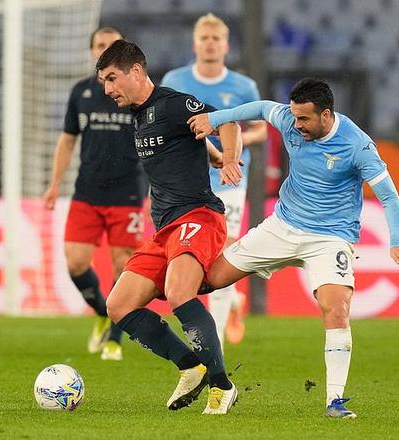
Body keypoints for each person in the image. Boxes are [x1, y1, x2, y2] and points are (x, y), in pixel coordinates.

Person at [188, 78, 399, 418]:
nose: (296, 125)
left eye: (304, 119)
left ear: (326, 115)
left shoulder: (357, 145)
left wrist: (397, 240)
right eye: (294, 117)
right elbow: (261, 108)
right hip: (281, 227)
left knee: (336, 309)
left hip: (330, 238)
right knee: (206, 281)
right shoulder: (289, 118)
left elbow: (388, 195)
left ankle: (334, 401)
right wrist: (216, 118)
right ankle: (218, 327)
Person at [96, 40, 243, 414]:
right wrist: (211, 154)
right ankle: (190, 366)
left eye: (111, 78)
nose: (107, 89)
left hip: (198, 217)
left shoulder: (173, 104)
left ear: (136, 71)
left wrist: (229, 157)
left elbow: (227, 122)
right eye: (103, 82)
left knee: (180, 292)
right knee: (118, 305)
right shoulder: (137, 117)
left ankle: (221, 386)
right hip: (164, 230)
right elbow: (187, 141)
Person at [161, 13, 267, 349]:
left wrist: (233, 145)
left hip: (229, 178)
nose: (210, 44)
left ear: (226, 45)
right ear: (195, 45)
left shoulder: (242, 86)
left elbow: (261, 129)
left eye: (215, 39)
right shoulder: (175, 80)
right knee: (198, 257)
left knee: (223, 252)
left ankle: (215, 342)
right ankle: (233, 301)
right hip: (186, 179)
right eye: (204, 39)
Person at [43, 27, 145, 362]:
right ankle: (102, 312)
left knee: (123, 265)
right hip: (87, 191)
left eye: (112, 45)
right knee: (75, 262)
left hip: (126, 193)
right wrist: (54, 183)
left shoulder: (136, 94)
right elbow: (67, 139)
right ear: (92, 52)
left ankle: (115, 339)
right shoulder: (81, 92)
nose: (105, 49)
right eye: (100, 45)